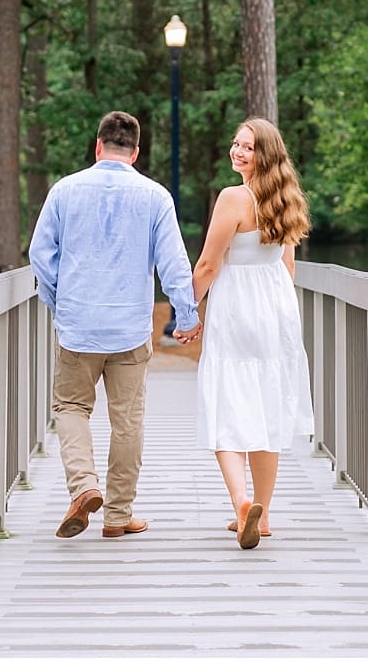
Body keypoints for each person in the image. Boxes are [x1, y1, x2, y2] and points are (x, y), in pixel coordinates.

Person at [29, 110, 202, 540]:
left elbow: (39, 253)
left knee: (71, 407)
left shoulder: (65, 190)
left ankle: (84, 486)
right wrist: (186, 315)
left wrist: (58, 303)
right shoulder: (155, 196)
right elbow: (174, 264)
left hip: (78, 326)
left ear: (98, 146)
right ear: (137, 152)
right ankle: (118, 516)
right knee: (127, 420)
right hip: (129, 329)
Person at [191, 117, 314, 549]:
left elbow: (208, 264)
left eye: (248, 147)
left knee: (227, 402)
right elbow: (288, 265)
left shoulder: (234, 198)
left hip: (238, 305)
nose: (238, 152)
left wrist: (186, 311)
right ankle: (263, 515)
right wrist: (283, 315)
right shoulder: (286, 197)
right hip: (276, 306)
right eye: (236, 144)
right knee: (266, 404)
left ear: (266, 154)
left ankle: (243, 503)